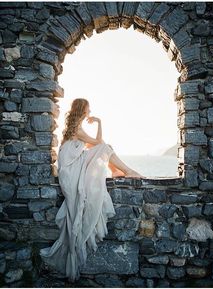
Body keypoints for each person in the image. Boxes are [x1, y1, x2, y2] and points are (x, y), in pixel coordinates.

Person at [40, 98, 144, 282]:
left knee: (107, 147)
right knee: (106, 147)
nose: (90, 112)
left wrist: (100, 141)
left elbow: (100, 145)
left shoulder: (76, 128)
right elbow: (99, 143)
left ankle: (121, 171)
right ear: (83, 110)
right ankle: (126, 171)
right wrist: (99, 122)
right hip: (71, 172)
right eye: (88, 109)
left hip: (71, 168)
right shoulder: (78, 129)